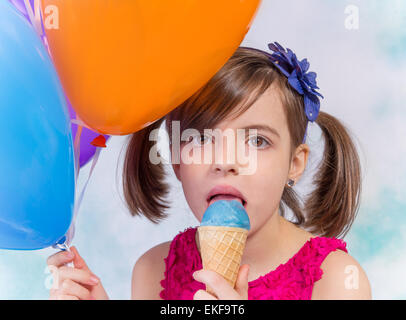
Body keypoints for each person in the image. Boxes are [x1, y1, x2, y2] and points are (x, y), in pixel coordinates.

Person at [46, 42, 371, 300]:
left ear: (294, 164)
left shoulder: (337, 282)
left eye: (257, 140)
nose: (226, 161)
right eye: (201, 138)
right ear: (176, 160)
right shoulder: (153, 272)